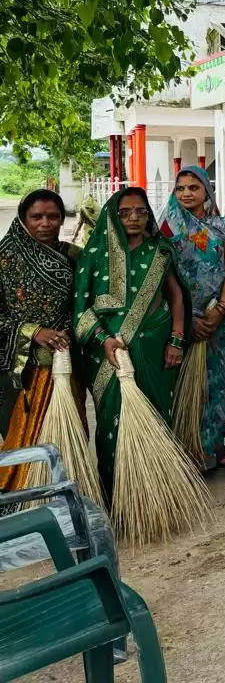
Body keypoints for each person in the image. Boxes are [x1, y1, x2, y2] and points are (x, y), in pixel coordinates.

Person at [74, 188, 189, 493]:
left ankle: (159, 493)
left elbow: (176, 296)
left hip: (156, 348)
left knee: (158, 415)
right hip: (108, 355)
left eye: (141, 211)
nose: (134, 218)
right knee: (112, 422)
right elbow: (81, 311)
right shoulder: (95, 254)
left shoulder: (160, 251)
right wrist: (104, 340)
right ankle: (119, 497)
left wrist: (176, 340)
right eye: (125, 212)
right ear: (114, 215)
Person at [159, 165, 225, 471]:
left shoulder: (224, 228)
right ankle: (186, 447)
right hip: (179, 318)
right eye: (180, 188)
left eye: (193, 187)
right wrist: (186, 319)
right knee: (180, 382)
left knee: (216, 381)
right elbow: (161, 275)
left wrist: (219, 310)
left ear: (206, 190)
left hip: (216, 316)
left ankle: (215, 446)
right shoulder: (167, 227)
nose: (186, 194)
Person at [0, 190, 77, 497]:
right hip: (16, 366)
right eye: (37, 217)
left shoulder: (75, 257)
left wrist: (65, 333)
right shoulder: (4, 258)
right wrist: (34, 331)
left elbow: (83, 305)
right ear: (23, 219)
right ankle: (22, 499)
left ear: (61, 219)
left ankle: (65, 495)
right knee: (20, 436)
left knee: (66, 436)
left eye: (53, 216)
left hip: (62, 360)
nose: (45, 223)